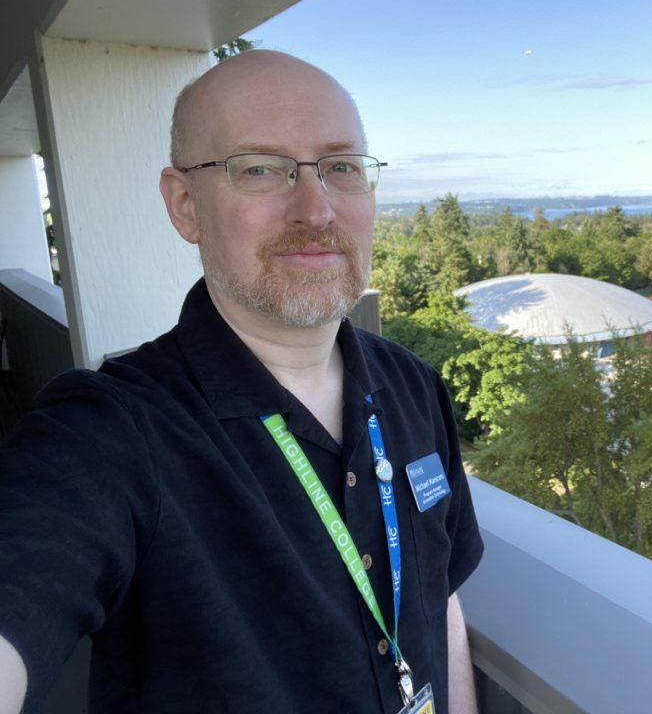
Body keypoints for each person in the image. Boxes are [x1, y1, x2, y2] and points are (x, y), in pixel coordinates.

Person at [0, 50, 484, 714]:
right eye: (260, 169)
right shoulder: (111, 433)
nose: (316, 208)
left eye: (341, 167)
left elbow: (442, 601)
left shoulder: (413, 388)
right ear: (185, 205)